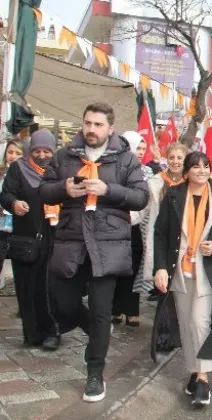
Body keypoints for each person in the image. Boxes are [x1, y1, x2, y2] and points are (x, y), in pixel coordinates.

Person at [39, 103, 149, 403]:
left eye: (98, 124)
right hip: (71, 241)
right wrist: (63, 188)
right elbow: (43, 191)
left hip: (108, 244)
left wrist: (108, 190)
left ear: (110, 128)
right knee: (64, 304)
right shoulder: (65, 156)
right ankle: (92, 329)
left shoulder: (126, 160)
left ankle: (95, 373)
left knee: (102, 312)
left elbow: (141, 197)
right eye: (87, 123)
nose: (91, 129)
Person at [152, 152, 212, 407]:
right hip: (180, 269)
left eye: (206, 165)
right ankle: (194, 373)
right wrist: (159, 267)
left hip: (209, 270)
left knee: (199, 322)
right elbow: (160, 234)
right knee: (185, 325)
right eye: (196, 166)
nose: (202, 170)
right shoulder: (173, 195)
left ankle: (203, 379)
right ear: (186, 171)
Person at [0, 132, 57, 349]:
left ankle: (52, 332)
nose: (42, 155)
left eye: (46, 151)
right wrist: (14, 204)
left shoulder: (57, 171)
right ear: (30, 150)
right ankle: (31, 334)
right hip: (25, 239)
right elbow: (5, 195)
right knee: (26, 287)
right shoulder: (19, 169)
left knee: (49, 288)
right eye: (37, 151)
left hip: (53, 239)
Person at [134, 143, 189, 298]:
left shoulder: (191, 183)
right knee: (163, 278)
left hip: (183, 238)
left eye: (180, 158)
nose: (175, 161)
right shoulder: (155, 182)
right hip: (161, 236)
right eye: (171, 157)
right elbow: (142, 208)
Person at [110, 131, 153, 328]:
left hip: (138, 227)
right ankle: (116, 308)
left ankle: (132, 310)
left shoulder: (148, 173)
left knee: (134, 268)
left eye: (144, 149)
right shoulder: (116, 169)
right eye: (138, 148)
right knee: (118, 267)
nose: (141, 152)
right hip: (118, 223)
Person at [0, 140, 24, 291]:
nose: (13, 156)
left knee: (20, 267)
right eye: (10, 152)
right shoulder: (1, 173)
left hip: (19, 228)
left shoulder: (26, 176)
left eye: (18, 153)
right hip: (1, 227)